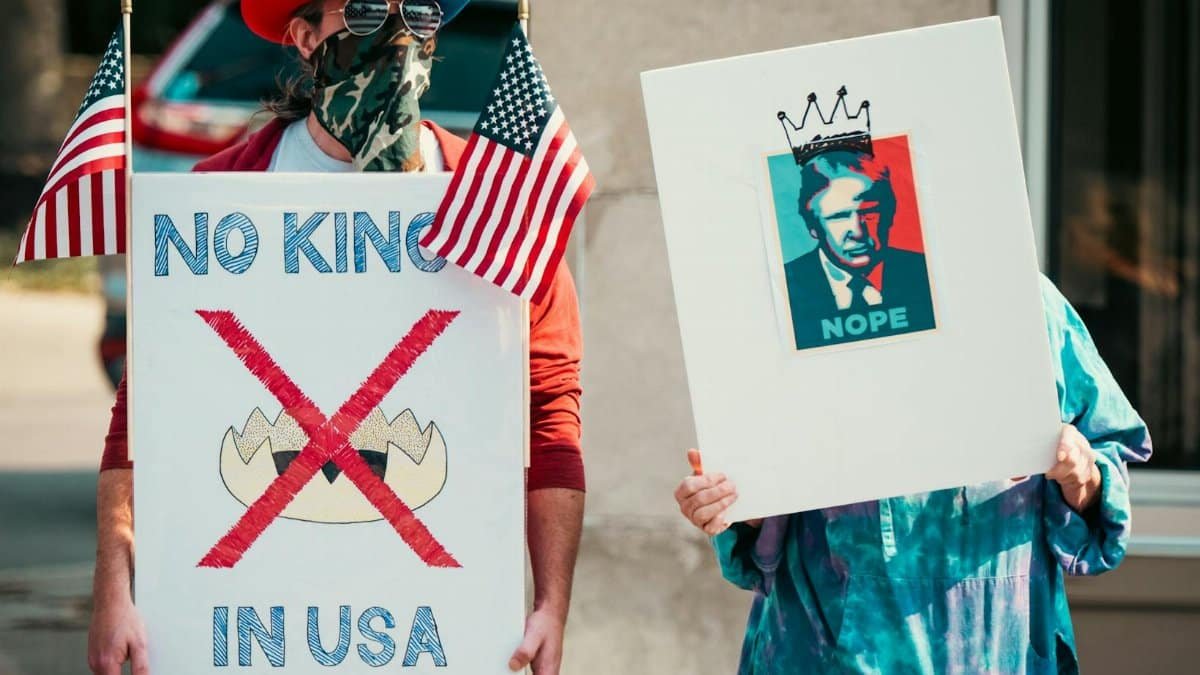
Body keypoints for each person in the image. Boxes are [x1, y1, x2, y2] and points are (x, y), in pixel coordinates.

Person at [87, 3, 584, 674]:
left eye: (420, 10)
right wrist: (114, 587)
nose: (397, 32)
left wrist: (553, 602)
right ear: (303, 35)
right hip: (254, 621)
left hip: (434, 623)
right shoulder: (223, 197)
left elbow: (551, 413)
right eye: (365, 9)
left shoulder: (497, 208)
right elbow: (144, 416)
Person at [674, 277, 1152, 673]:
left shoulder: (1024, 305)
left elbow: (1107, 463)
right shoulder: (796, 310)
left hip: (996, 647)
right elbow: (758, 495)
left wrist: (1081, 471)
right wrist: (735, 504)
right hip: (827, 648)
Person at [783, 149, 935, 348]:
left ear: (889, 215)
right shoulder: (787, 285)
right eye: (838, 216)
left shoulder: (924, 272)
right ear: (813, 227)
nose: (858, 232)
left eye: (870, 212)